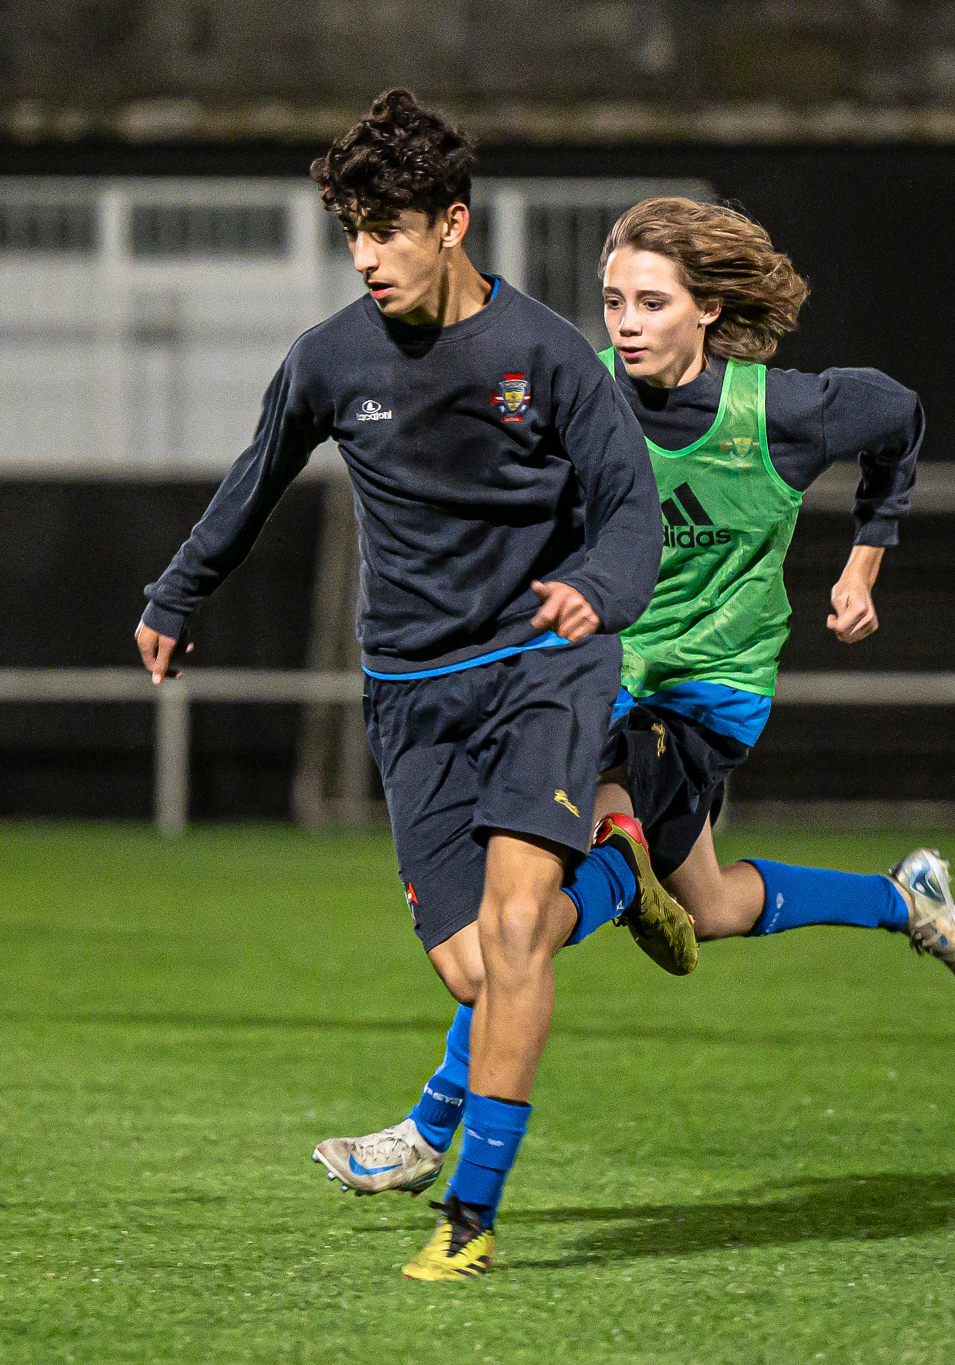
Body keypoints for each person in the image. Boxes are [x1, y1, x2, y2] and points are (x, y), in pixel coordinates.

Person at [313, 198, 955, 1217]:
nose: (623, 322)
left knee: (538, 902)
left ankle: (426, 1131)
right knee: (708, 908)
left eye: (651, 302)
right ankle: (906, 899)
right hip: (595, 680)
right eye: (612, 300)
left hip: (700, 700)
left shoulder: (787, 413)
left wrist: (865, 560)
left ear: (708, 308)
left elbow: (899, 419)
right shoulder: (579, 396)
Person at [135, 91, 692, 1282]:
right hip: (408, 692)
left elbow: (632, 515)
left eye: (383, 229)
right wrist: (176, 596)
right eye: (350, 231)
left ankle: (471, 1220)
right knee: (476, 968)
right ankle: (612, 874)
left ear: (451, 221)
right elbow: (255, 476)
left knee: (508, 938)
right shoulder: (329, 358)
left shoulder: (544, 356)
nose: (363, 256)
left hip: (541, 664)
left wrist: (598, 588)